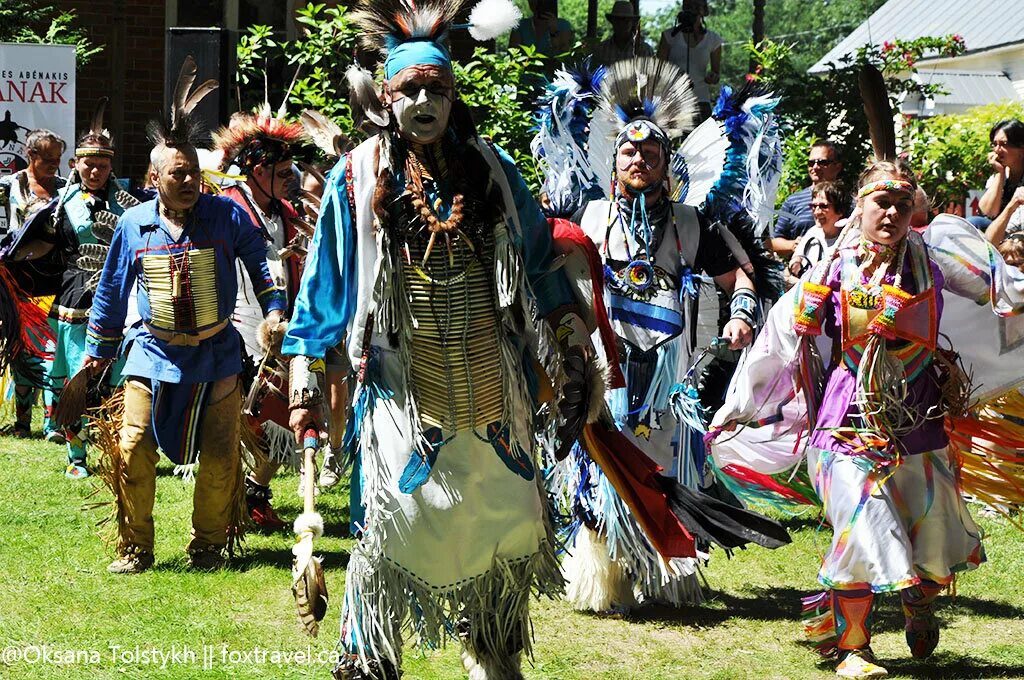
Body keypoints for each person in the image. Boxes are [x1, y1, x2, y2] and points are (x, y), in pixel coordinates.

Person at [286, 1, 596, 676]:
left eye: (438, 90)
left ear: (455, 97)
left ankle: (494, 653)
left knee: (504, 522)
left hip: (494, 389)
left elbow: (542, 264)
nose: (425, 102)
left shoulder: (491, 170)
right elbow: (324, 288)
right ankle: (370, 660)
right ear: (385, 98)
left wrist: (574, 343)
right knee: (387, 525)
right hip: (403, 393)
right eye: (410, 91)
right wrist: (305, 379)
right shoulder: (358, 177)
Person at [709, 159, 1024, 679]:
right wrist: (741, 408)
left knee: (926, 531)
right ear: (860, 206)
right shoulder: (832, 265)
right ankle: (854, 648)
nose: (892, 213)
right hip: (845, 418)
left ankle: (918, 600)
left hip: (917, 419)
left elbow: (1004, 291)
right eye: (882, 202)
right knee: (861, 524)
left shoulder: (934, 257)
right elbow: (781, 338)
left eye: (903, 204)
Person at [533, 58, 794, 615]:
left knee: (669, 460)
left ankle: (667, 574)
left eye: (650, 153)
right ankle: (602, 580)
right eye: (629, 151)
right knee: (600, 458)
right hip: (607, 356)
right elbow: (555, 264)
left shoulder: (690, 221)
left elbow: (740, 273)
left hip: (669, 366)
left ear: (665, 162)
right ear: (614, 159)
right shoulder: (592, 213)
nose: (639, 159)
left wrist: (742, 312)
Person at [82, 60, 287, 574]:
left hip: (216, 357)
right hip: (151, 354)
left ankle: (209, 544)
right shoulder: (134, 225)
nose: (191, 180)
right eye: (179, 173)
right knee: (131, 449)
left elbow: (261, 264)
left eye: (195, 172)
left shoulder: (226, 214)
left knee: (220, 457)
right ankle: (136, 547)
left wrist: (276, 311)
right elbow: (110, 292)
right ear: (155, 178)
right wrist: (93, 358)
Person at [4, 101, 140, 478]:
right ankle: (77, 456)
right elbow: (36, 249)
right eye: (88, 164)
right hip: (74, 298)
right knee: (77, 376)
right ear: (75, 164)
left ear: (112, 166)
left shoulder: (129, 206)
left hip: (119, 300)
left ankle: (116, 451)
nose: (95, 171)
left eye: (103, 165)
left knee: (118, 378)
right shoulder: (60, 205)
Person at [210, 108, 307, 531]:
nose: (290, 176)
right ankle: (227, 501)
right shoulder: (229, 208)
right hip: (237, 321)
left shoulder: (284, 210)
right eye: (281, 170)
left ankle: (253, 496)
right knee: (242, 416)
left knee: (284, 413)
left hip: (279, 322)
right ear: (257, 170)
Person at [0, 129, 67, 439]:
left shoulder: (66, 190)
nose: (55, 165)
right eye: (48, 159)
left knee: (56, 352)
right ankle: (23, 422)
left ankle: (53, 423)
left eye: (58, 159)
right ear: (30, 156)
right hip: (19, 282)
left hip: (57, 280)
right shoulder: (9, 187)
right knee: (23, 351)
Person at [772, 139, 844, 257]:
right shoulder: (793, 201)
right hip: (802, 270)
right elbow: (774, 242)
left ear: (838, 167)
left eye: (822, 163)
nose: (815, 167)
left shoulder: (848, 201)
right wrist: (794, 245)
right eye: (811, 163)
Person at [657, 0, 721, 121]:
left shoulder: (714, 39)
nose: (692, 10)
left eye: (696, 6)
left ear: (704, 10)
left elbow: (716, 74)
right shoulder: (669, 35)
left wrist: (712, 77)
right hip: (674, 101)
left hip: (701, 101)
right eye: (688, 6)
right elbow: (657, 70)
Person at [785, 181, 849, 286]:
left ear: (840, 210)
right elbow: (795, 262)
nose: (817, 212)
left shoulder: (849, 239)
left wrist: (800, 283)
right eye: (813, 206)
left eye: (823, 206)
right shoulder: (812, 233)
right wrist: (795, 263)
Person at [975, 119, 1024, 227]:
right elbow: (987, 213)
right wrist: (1000, 173)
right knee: (975, 222)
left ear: (1021, 148)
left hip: (1018, 233)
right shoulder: (999, 175)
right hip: (999, 232)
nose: (997, 150)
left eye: (1003, 144)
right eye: (994, 144)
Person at [591, 1, 653, 67]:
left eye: (626, 20)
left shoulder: (645, 50)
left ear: (632, 22)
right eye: (618, 20)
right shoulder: (601, 50)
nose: (622, 24)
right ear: (612, 21)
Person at [509, 0, 574, 56]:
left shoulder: (563, 25)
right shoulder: (520, 26)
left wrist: (554, 32)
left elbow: (565, 54)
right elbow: (512, 56)